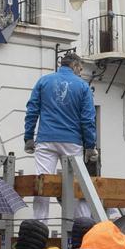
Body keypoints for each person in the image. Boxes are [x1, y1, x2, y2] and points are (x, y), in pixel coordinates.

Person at [25, 52, 97, 227]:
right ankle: (83, 227)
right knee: (77, 186)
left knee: (42, 184)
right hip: (72, 141)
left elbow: (32, 110)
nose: (80, 72)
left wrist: (28, 137)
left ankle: (39, 227)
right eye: (80, 68)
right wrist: (90, 146)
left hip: (46, 139)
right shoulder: (82, 86)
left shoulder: (43, 81)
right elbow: (87, 119)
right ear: (74, 66)